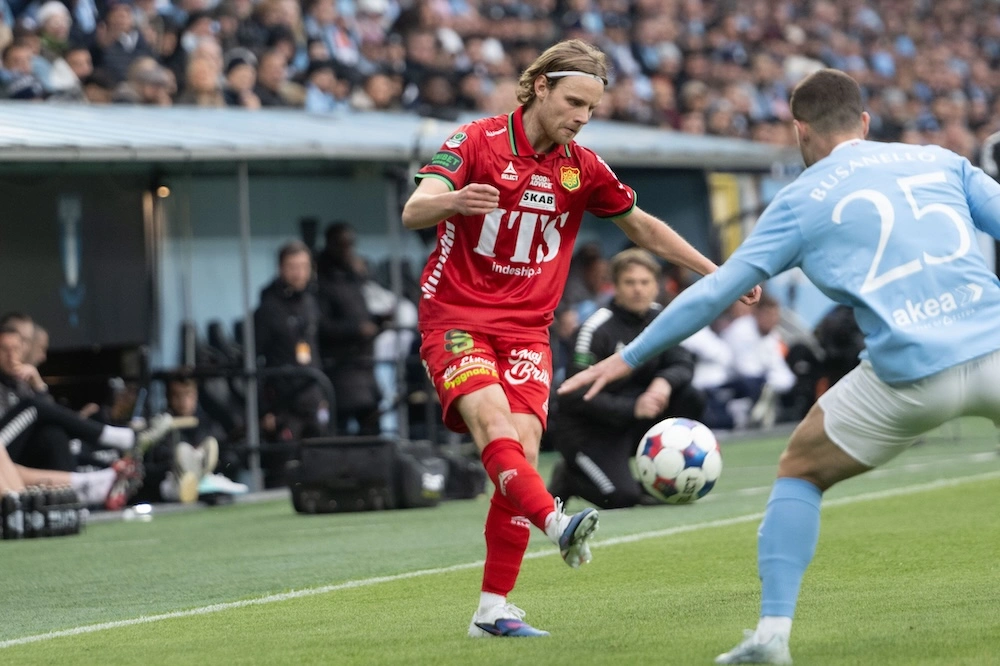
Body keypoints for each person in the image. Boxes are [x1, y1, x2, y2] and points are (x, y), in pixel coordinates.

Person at [558, 68, 1000, 664]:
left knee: (799, 470)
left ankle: (771, 637)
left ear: (800, 131)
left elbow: (715, 294)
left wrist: (628, 357)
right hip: (994, 344)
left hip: (911, 373)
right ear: (864, 121)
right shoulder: (940, 160)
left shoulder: (799, 200)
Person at [401, 39, 759, 638]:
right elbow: (415, 209)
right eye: (573, 103)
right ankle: (557, 523)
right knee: (493, 422)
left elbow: (641, 227)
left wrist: (715, 272)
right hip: (458, 319)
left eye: (591, 108)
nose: (582, 118)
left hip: (527, 332)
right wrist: (456, 200)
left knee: (520, 451)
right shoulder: (476, 141)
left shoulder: (581, 167)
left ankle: (492, 609)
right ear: (540, 87)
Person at [549, 248, 703, 509]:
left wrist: (663, 383)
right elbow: (574, 394)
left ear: (656, 286)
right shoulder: (594, 329)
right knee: (621, 497)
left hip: (633, 421)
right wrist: (633, 407)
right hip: (589, 431)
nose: (638, 290)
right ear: (615, 287)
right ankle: (569, 476)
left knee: (691, 397)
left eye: (645, 282)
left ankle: (662, 472)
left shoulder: (661, 319)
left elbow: (683, 362)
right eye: (629, 282)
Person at [255, 240, 330, 485]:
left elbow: (316, 351)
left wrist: (322, 396)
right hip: (283, 404)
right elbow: (256, 362)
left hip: (313, 398)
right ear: (281, 269)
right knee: (283, 471)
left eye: (304, 266)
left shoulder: (311, 302)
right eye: (293, 267)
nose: (299, 273)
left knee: (319, 466)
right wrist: (265, 409)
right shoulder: (268, 308)